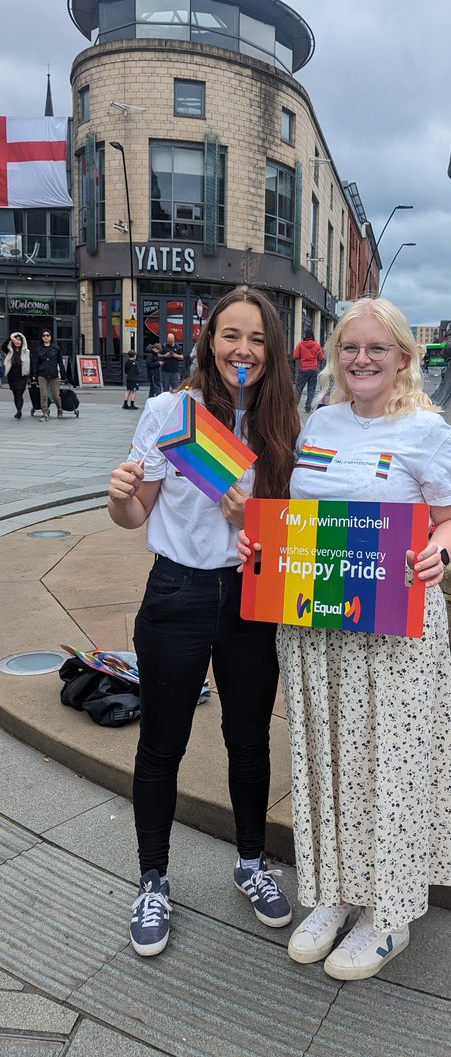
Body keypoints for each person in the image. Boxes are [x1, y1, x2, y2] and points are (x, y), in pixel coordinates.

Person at [239, 298, 451, 981]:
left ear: (404, 355)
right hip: (318, 623)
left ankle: (388, 913)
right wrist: (262, 544)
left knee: (390, 760)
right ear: (334, 356)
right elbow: (301, 517)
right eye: (350, 348)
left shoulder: (428, 432)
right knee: (326, 755)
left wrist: (440, 550)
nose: (362, 360)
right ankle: (336, 893)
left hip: (395, 625)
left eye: (377, 348)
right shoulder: (320, 421)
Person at [107, 286, 300, 958]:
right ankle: (153, 879)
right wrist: (120, 501)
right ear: (209, 341)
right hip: (177, 594)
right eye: (230, 336)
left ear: (272, 351)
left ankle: (252, 863)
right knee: (162, 744)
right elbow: (137, 517)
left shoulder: (283, 423)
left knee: (249, 740)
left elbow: (292, 534)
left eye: (255, 339)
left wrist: (253, 521)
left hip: (252, 599)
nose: (242, 350)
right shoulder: (171, 412)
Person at [33, 329, 65, 421]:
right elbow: (37, 363)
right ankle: (45, 413)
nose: (46, 337)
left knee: (55, 395)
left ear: (51, 337)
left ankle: (59, 409)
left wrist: (63, 374)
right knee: (43, 395)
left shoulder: (56, 348)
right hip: (42, 374)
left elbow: (60, 362)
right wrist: (35, 374)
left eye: (47, 335)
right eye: (44, 335)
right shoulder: (39, 349)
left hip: (53, 374)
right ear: (42, 338)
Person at [293, 329, 324, 412]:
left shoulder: (300, 344)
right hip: (314, 370)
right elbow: (321, 357)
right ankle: (308, 406)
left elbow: (295, 356)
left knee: (298, 388)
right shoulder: (317, 345)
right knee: (311, 389)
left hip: (303, 370)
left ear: (305, 335)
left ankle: (294, 406)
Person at [2, 332, 31, 420]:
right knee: (15, 393)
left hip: (21, 376)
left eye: (19, 340)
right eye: (16, 340)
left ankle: (19, 411)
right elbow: (3, 346)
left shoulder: (26, 351)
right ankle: (18, 409)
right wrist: (11, 338)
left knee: (19, 393)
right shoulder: (9, 351)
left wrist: (32, 376)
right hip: (12, 375)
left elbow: (31, 363)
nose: (17, 342)